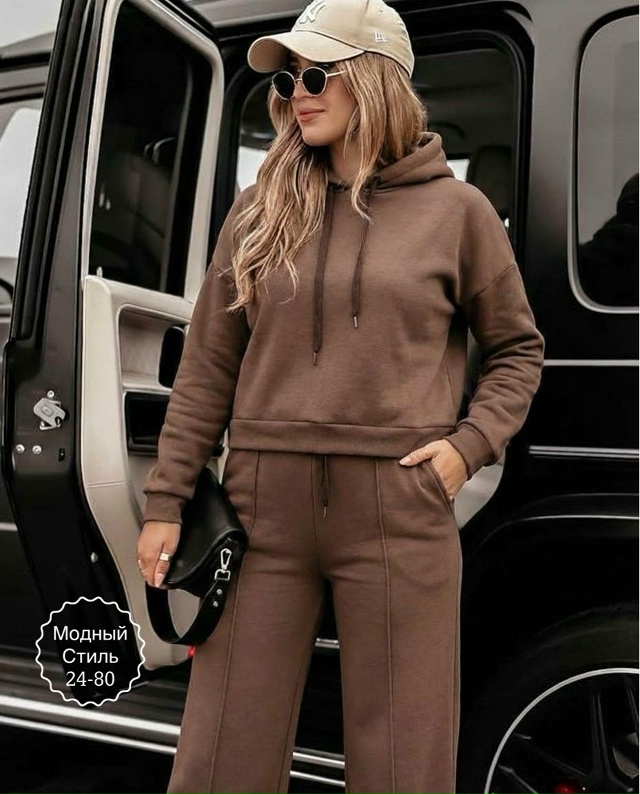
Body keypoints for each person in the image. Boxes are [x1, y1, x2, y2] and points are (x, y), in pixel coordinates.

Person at [136, 1, 545, 792]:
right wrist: (166, 499)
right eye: (288, 80)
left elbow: (517, 351)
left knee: (403, 762)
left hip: (398, 503)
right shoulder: (260, 209)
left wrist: (465, 450)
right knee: (221, 755)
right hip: (263, 504)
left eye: (317, 75)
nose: (298, 93)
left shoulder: (458, 215)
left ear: (377, 80)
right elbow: (208, 367)